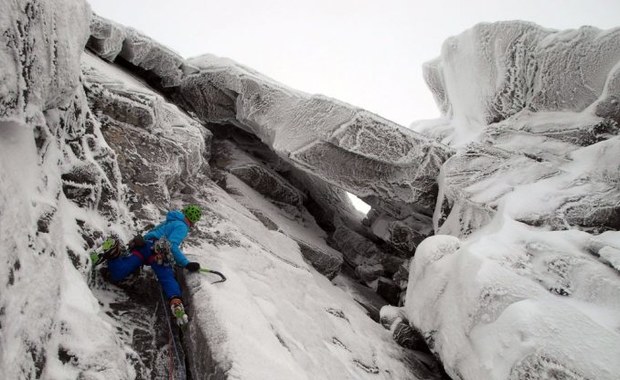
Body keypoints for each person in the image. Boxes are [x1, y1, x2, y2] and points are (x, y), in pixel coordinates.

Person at [98, 204, 203, 326]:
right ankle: (175, 301)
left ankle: (114, 254)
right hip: (157, 253)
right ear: (193, 221)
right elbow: (172, 245)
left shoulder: (172, 220)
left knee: (119, 272)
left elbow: (153, 233)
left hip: (144, 246)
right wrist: (186, 263)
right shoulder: (182, 226)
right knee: (166, 276)